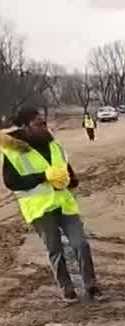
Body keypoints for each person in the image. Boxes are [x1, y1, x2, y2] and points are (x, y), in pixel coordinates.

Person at [1, 107, 102, 303]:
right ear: (25, 126)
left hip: (64, 203)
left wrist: (70, 179)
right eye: (39, 124)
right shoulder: (12, 151)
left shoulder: (53, 144)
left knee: (80, 244)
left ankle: (91, 284)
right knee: (55, 249)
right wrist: (43, 176)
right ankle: (67, 288)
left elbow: (68, 171)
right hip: (40, 209)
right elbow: (12, 182)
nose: (44, 127)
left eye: (44, 123)